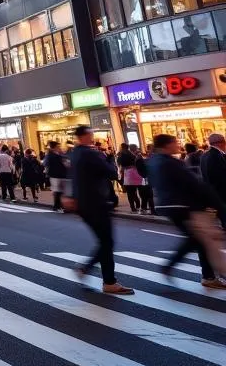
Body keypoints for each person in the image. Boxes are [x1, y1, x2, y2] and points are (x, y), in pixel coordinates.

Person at [147, 133, 226, 288]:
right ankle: (208, 276)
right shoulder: (170, 162)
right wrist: (217, 204)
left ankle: (173, 267)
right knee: (200, 239)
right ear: (167, 145)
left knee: (195, 239)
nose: (178, 144)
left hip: (167, 205)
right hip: (183, 205)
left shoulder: (154, 161)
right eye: (175, 142)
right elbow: (194, 184)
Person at [68, 125, 133, 296]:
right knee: (107, 242)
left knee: (105, 241)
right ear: (84, 136)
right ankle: (107, 280)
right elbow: (111, 172)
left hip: (83, 203)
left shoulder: (75, 153)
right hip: (96, 202)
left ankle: (92, 271)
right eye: (90, 134)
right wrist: (105, 158)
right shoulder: (90, 153)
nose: (92, 137)